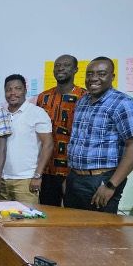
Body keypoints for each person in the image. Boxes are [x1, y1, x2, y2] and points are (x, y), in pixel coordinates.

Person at [65, 57, 133, 213]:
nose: (94, 78)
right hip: (75, 179)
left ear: (112, 77)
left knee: (100, 235)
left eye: (101, 73)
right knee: (71, 232)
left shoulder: (124, 104)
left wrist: (111, 185)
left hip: (101, 181)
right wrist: (70, 177)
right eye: (89, 74)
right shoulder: (82, 102)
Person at [36, 55, 87, 206]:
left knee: (74, 217)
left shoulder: (84, 97)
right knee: (48, 215)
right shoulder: (43, 97)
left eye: (66, 65)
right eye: (57, 65)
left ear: (75, 69)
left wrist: (72, 174)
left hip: (73, 170)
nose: (61, 68)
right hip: (47, 169)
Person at [0, 74, 53, 206]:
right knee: (2, 222)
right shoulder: (0, 113)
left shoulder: (37, 113)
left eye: (17, 88)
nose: (13, 93)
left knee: (27, 223)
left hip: (26, 180)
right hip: (2, 179)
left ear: (25, 90)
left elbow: (48, 145)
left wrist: (37, 176)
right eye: (9, 89)